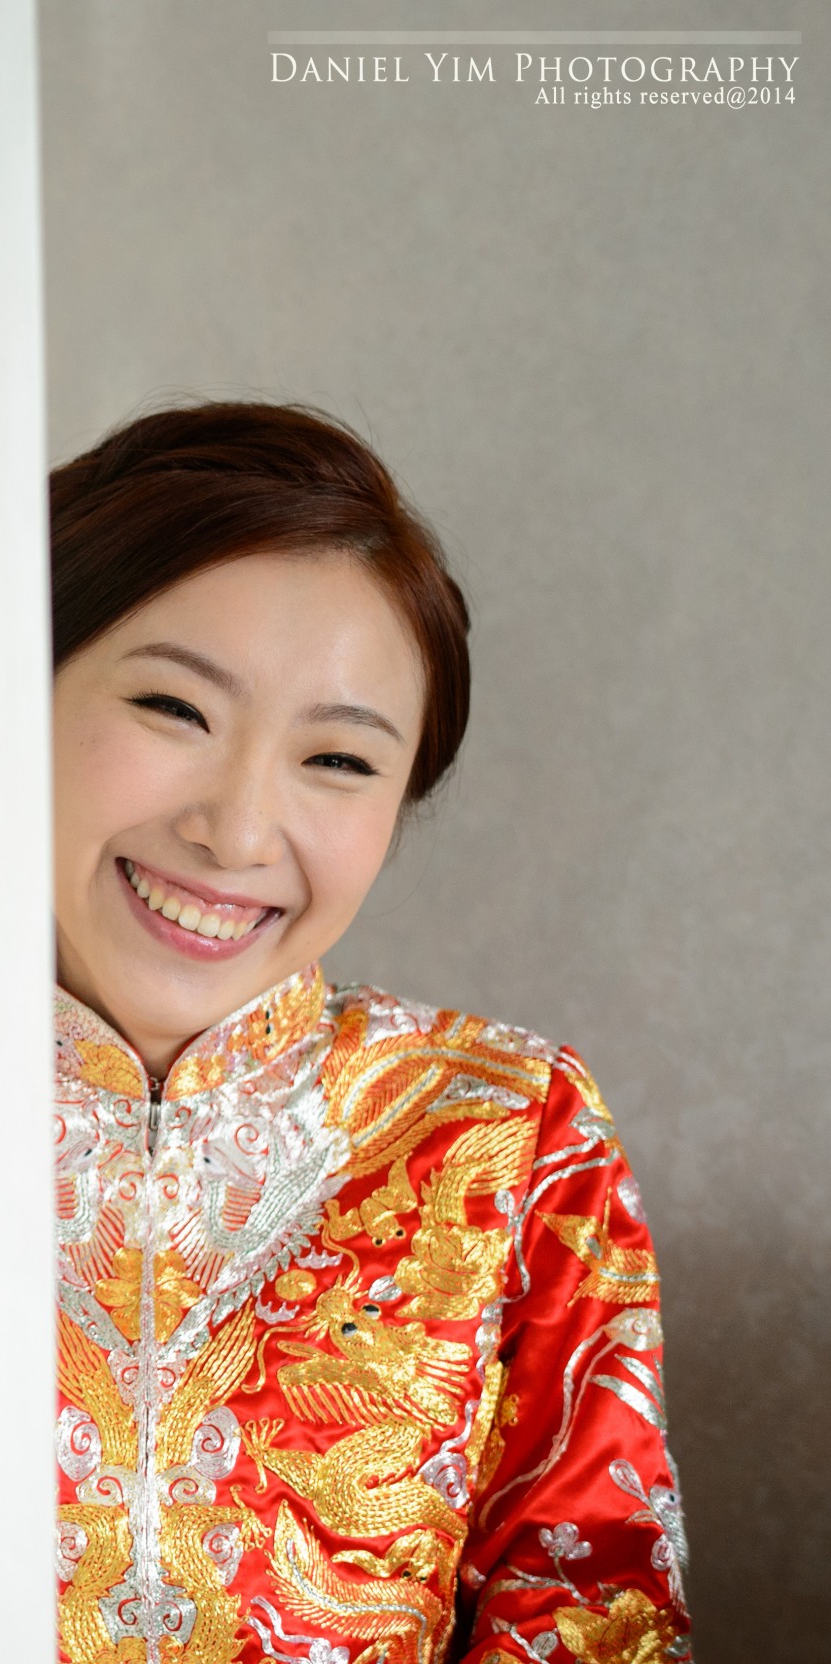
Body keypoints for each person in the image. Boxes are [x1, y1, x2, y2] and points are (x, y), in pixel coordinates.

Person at [47, 404, 690, 1661]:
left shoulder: (511, 1133)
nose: (236, 831)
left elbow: (593, 1612)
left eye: (338, 761)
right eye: (175, 707)